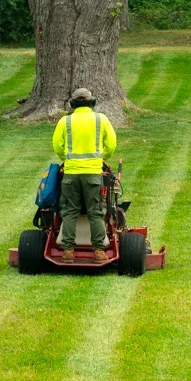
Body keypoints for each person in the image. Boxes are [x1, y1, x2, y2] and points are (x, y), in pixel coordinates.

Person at [52, 88, 117, 262]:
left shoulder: (65, 122)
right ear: (92, 102)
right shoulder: (101, 119)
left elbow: (58, 147)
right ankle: (98, 251)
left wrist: (66, 159)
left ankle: (67, 251)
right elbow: (110, 146)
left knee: (70, 212)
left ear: (73, 104)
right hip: (93, 174)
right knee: (95, 212)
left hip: (71, 174)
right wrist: (102, 157)